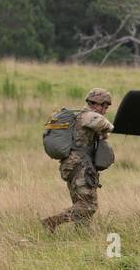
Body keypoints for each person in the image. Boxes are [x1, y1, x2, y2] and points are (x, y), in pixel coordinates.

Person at [42, 88, 114, 232]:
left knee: (80, 203)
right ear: (96, 104)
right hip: (80, 166)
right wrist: (112, 127)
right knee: (89, 206)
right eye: (104, 107)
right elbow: (105, 125)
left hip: (72, 166)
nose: (105, 111)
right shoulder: (88, 116)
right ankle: (52, 221)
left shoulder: (80, 116)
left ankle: (82, 234)